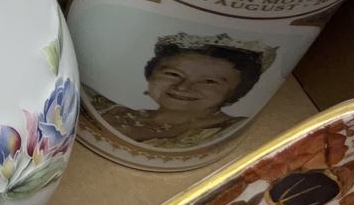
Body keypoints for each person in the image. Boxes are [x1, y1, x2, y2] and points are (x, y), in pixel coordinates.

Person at [87, 35, 272, 147]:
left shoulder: (229, 129)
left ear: (236, 91)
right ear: (150, 75)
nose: (183, 87)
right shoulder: (111, 110)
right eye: (173, 74)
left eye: (209, 82)